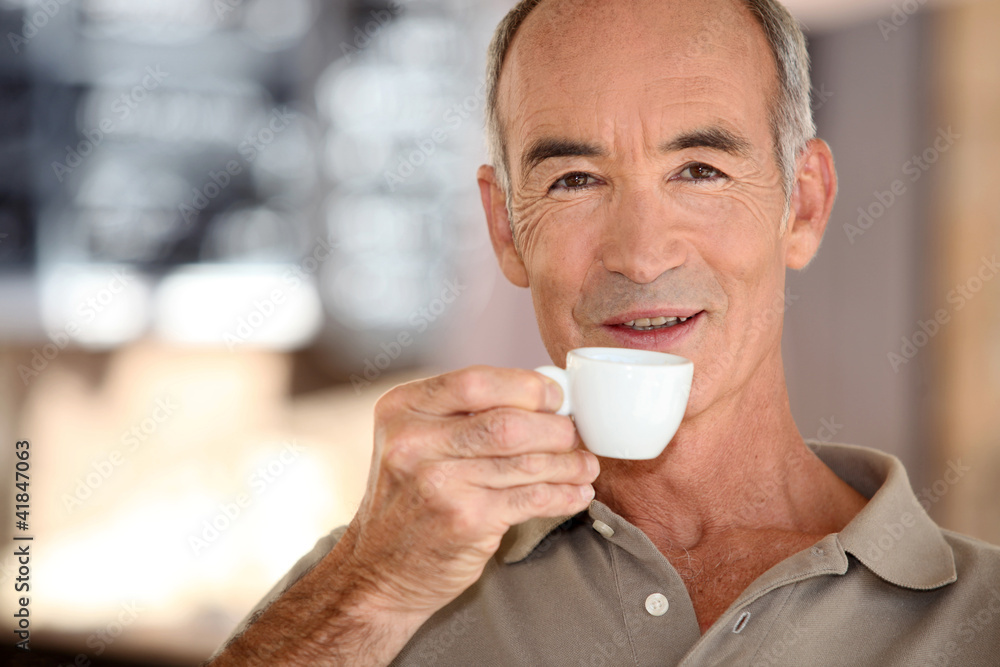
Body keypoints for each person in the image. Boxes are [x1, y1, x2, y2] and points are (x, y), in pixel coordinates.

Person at [208, 0, 1000, 664]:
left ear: (805, 205)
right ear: (507, 229)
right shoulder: (385, 578)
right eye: (575, 180)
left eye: (699, 169)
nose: (643, 255)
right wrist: (371, 589)